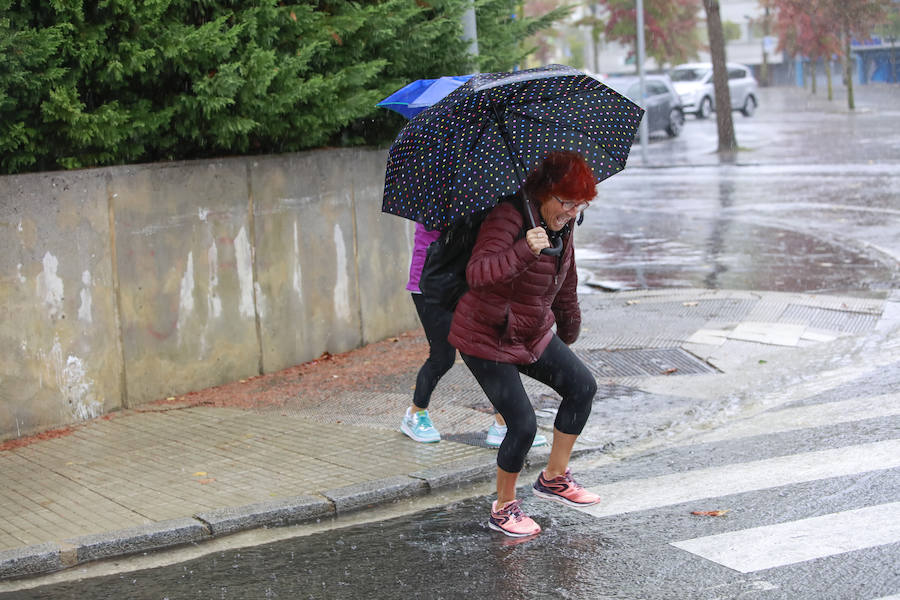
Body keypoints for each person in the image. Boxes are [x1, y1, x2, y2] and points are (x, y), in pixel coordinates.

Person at [447, 151, 601, 537]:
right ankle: (503, 507)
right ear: (546, 193)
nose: (572, 212)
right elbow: (478, 273)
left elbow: (565, 283)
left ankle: (553, 478)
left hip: (531, 331)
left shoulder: (563, 226)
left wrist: (568, 332)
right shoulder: (508, 216)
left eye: (579, 206)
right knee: (523, 425)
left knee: (582, 386)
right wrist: (523, 249)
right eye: (566, 203)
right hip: (486, 335)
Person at [400, 223, 548, 448]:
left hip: (464, 282)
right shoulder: (441, 199)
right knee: (443, 357)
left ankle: (503, 422)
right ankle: (415, 414)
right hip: (430, 283)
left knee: (490, 351)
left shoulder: (474, 196)